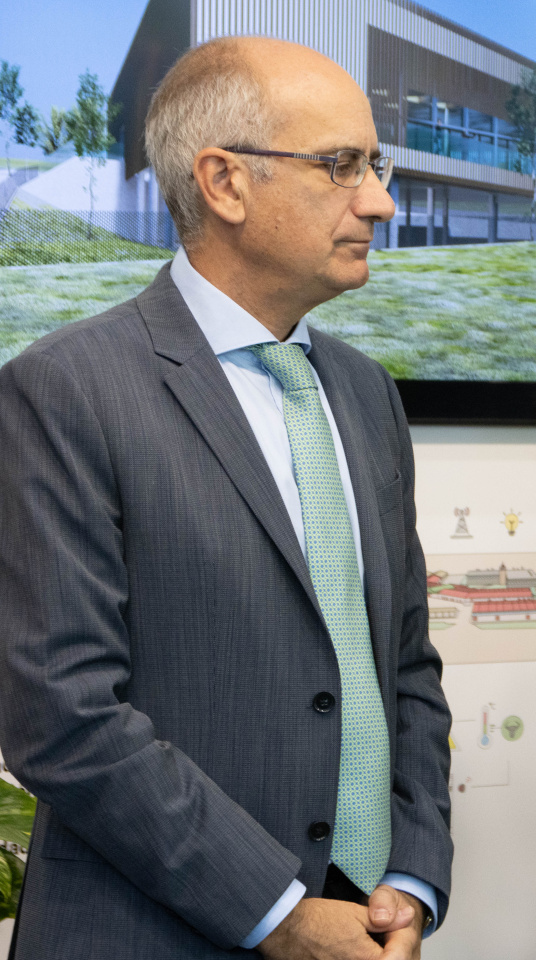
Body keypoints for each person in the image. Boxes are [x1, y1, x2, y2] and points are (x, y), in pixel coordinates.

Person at [0, 38, 451, 960]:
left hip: (366, 927)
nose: (379, 199)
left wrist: (410, 876)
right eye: (341, 166)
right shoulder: (66, 390)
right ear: (224, 182)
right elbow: (64, 716)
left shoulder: (368, 394)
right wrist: (280, 912)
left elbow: (405, 669)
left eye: (377, 164)